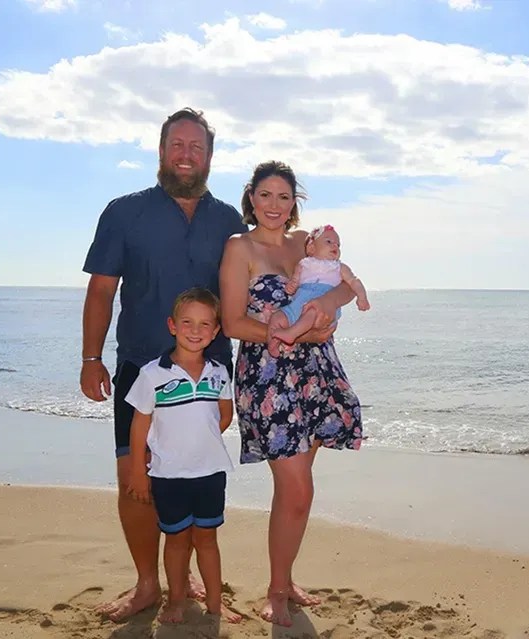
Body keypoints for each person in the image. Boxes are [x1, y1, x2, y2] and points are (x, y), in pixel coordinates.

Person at [80, 108, 248, 622]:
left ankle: (182, 577)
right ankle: (147, 583)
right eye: (177, 144)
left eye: (196, 147)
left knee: (191, 472)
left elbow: (251, 289)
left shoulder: (229, 222)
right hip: (139, 369)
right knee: (137, 478)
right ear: (160, 150)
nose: (186, 154)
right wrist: (90, 357)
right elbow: (102, 289)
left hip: (210, 375)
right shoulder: (124, 212)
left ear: (210, 157)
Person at [219, 160, 363, 627]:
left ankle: (284, 577)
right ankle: (278, 592)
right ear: (251, 197)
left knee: (294, 491)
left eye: (284, 197)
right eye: (266, 195)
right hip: (269, 376)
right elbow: (234, 323)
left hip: (317, 372)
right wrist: (297, 335)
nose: (275, 205)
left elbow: (345, 283)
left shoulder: (307, 243)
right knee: (297, 488)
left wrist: (325, 304)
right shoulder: (239, 248)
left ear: (295, 202)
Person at [124, 288, 242, 624]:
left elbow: (224, 414)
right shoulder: (152, 374)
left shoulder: (219, 372)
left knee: (207, 540)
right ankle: (175, 601)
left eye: (206, 324)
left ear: (216, 331)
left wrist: (198, 442)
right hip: (168, 475)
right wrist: (137, 470)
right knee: (175, 541)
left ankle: (216, 605)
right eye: (187, 322)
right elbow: (139, 425)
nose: (196, 330)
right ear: (172, 325)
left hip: (210, 473)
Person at [266, 224, 371, 357]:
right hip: (298, 303)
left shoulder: (339, 267)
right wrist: (292, 285)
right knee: (277, 317)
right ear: (311, 247)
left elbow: (353, 282)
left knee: (312, 312)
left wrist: (362, 297)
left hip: (322, 306)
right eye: (329, 242)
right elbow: (295, 279)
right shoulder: (303, 263)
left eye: (338, 245)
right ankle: (274, 344)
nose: (335, 246)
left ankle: (291, 334)